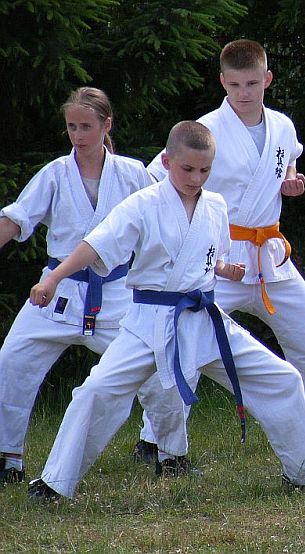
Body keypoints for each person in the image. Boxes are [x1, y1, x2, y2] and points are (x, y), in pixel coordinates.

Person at [25, 121, 305, 501]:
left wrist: (224, 269)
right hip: (149, 323)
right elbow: (95, 246)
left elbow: (208, 257)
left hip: (203, 319)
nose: (196, 178)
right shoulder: (142, 204)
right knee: (96, 391)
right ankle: (55, 483)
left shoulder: (215, 205)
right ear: (168, 161)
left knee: (283, 379)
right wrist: (54, 279)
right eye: (187, 169)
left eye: (205, 170)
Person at [141, 39, 305, 458]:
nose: (244, 93)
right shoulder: (204, 129)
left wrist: (292, 178)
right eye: (234, 85)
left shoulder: (282, 125)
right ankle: (154, 439)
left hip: (270, 257)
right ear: (222, 82)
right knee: (186, 341)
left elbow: (288, 157)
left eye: (252, 83)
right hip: (218, 257)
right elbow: (159, 177)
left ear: (267, 79)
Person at [0, 87, 155, 485]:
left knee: (157, 365)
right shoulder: (55, 173)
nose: (78, 135)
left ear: (107, 125)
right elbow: (17, 219)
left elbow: (163, 217)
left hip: (117, 293)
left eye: (86, 126)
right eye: (72, 127)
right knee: (12, 360)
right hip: (57, 291)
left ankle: (163, 448)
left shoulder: (134, 174)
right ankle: (7, 456)